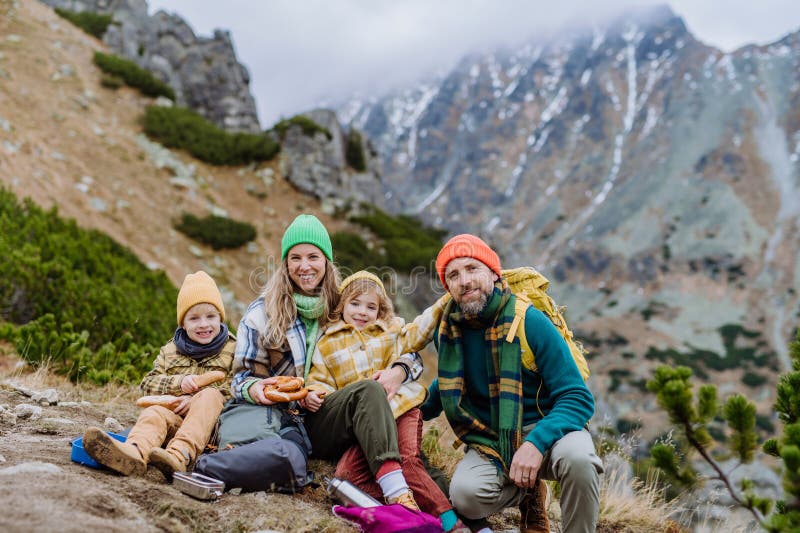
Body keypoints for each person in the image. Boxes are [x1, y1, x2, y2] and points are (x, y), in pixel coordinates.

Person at [230, 214, 421, 507]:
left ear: (326, 261)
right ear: (285, 264)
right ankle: (396, 495)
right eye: (295, 258)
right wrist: (259, 389)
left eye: (313, 257)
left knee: (425, 471)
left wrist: (399, 370)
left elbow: (402, 340)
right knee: (367, 391)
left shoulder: (346, 303)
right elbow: (240, 380)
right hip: (292, 420)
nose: (304, 266)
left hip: (340, 412)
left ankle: (445, 516)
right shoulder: (262, 314)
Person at [422, 234, 603, 533]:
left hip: (550, 430)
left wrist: (535, 443)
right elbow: (443, 386)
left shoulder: (530, 321)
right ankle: (528, 492)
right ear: (448, 287)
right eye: (453, 275)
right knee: (465, 496)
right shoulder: (450, 332)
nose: (464, 280)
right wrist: (398, 412)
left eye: (472, 268)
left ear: (494, 272)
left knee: (580, 460)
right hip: (494, 442)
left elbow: (577, 397)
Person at [305, 271, 468, 533]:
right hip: (365, 427)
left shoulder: (391, 331)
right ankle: (415, 507)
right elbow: (321, 380)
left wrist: (446, 298)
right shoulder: (327, 343)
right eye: (355, 304)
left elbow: (421, 329)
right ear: (342, 305)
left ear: (381, 310)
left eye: (371, 307)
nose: (362, 312)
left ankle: (448, 521)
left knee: (409, 462)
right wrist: (314, 393)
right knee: (346, 478)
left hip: (401, 410)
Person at [83, 270, 235, 477]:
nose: (203, 324)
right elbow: (147, 384)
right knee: (154, 412)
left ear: (220, 318)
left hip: (212, 428)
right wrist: (179, 383)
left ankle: (180, 455)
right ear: (183, 323)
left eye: (211, 316)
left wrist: (195, 400)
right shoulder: (170, 350)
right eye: (194, 318)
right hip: (174, 421)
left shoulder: (234, 348)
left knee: (209, 395)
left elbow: (240, 386)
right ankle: (133, 453)